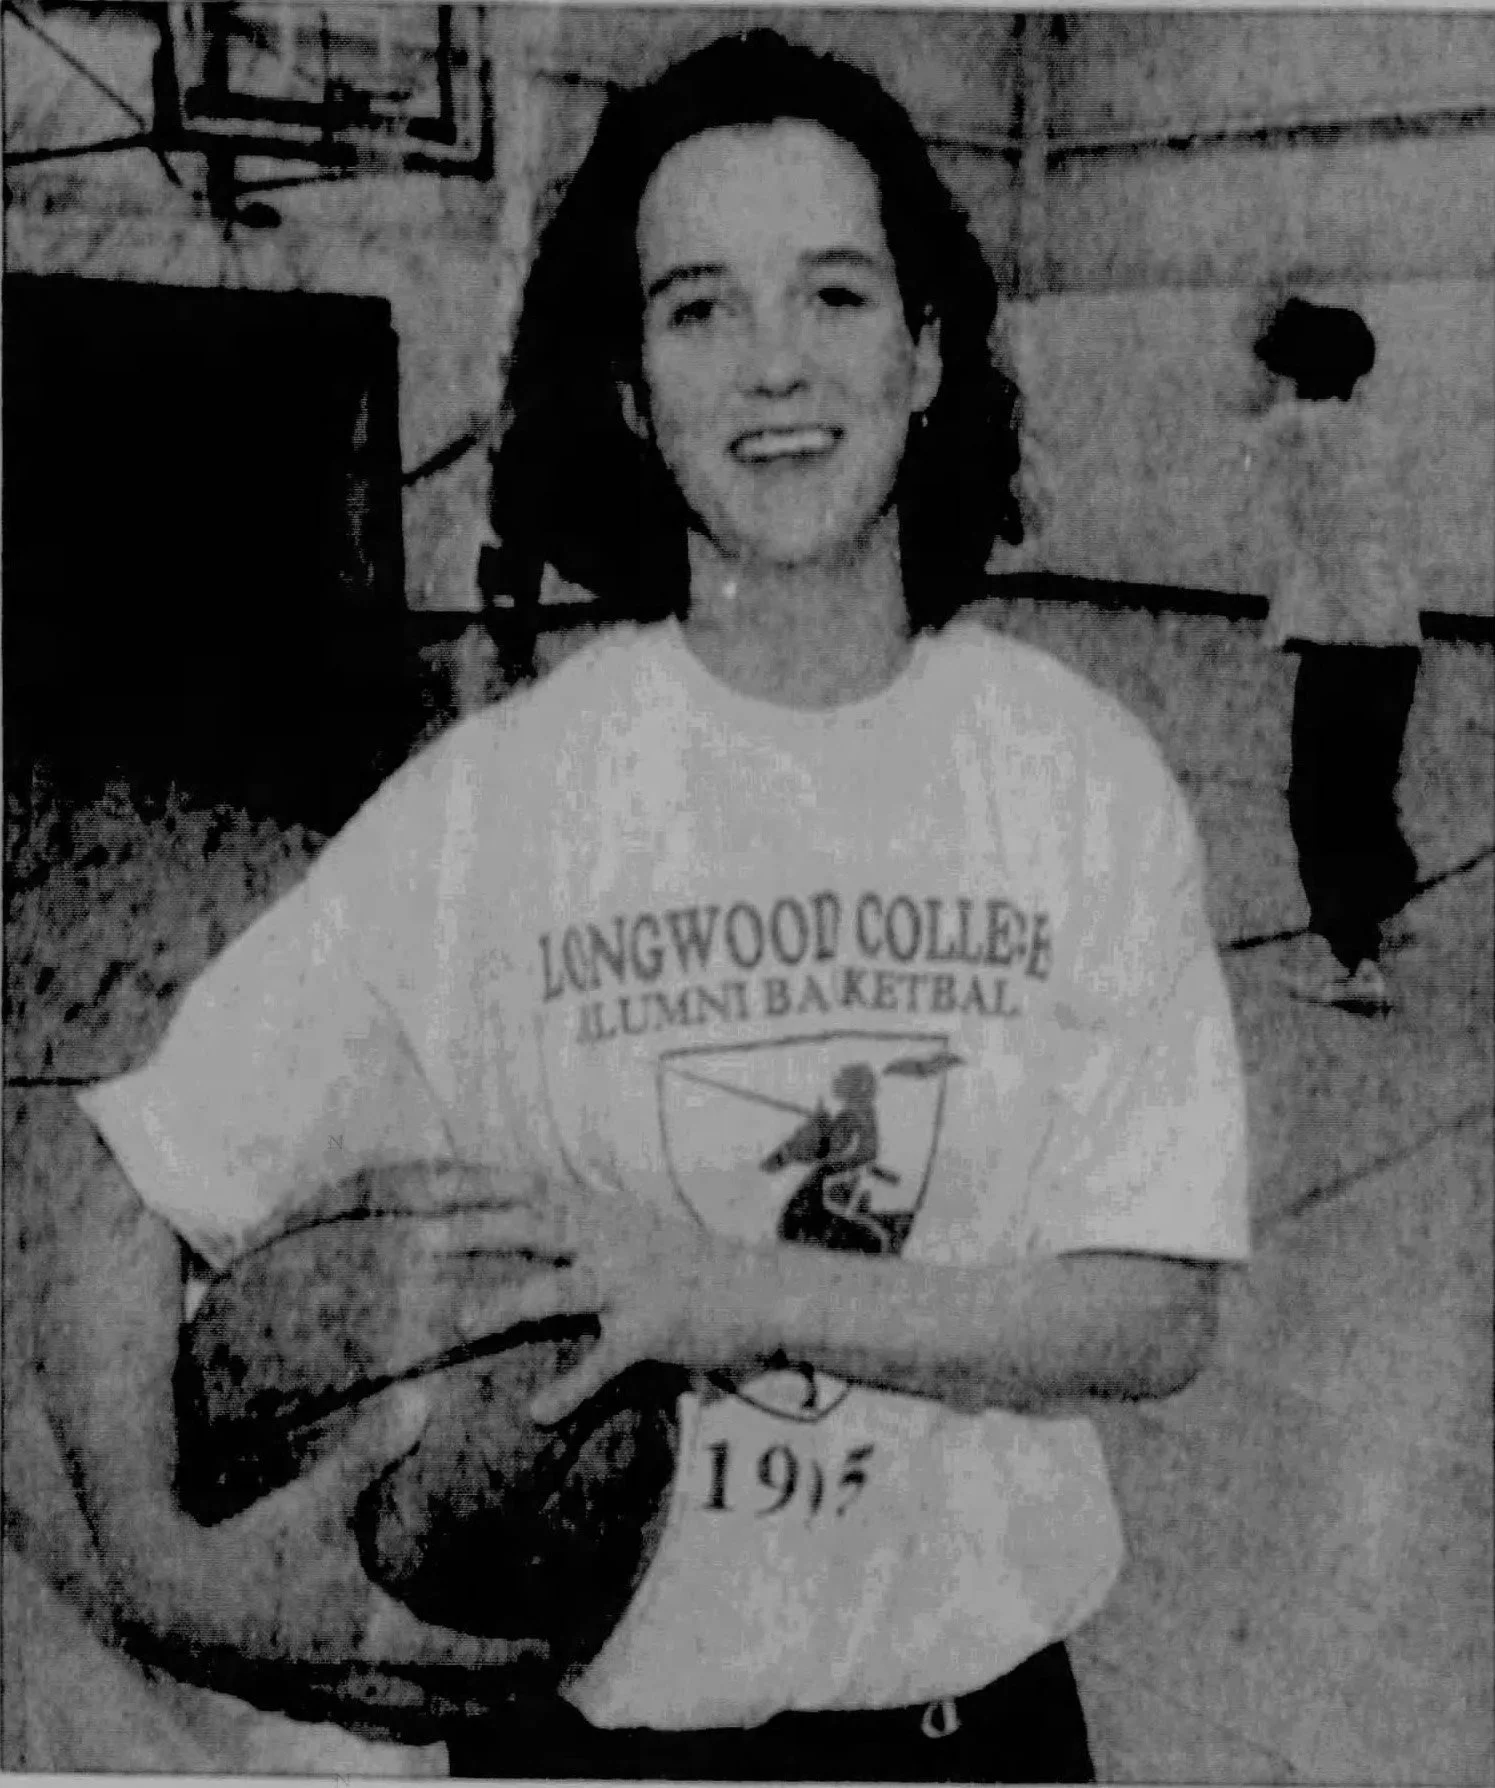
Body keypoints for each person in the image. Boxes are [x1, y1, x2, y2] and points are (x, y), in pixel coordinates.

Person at [41, 29, 1250, 1780]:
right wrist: (161, 1572)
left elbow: (1154, 1308)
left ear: (925, 355)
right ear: (629, 386)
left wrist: (732, 1290)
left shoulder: (1074, 772)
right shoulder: (504, 803)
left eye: (834, 296)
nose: (774, 365)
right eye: (698, 308)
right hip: (595, 1739)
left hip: (972, 1733)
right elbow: (118, 1169)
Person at [1251, 297, 1423, 1014]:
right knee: (1368, 788)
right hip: (1394, 641)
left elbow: (1256, 421)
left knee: (1320, 803)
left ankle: (1349, 960)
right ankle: (1387, 909)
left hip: (1342, 646)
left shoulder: (1293, 430)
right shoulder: (1381, 434)